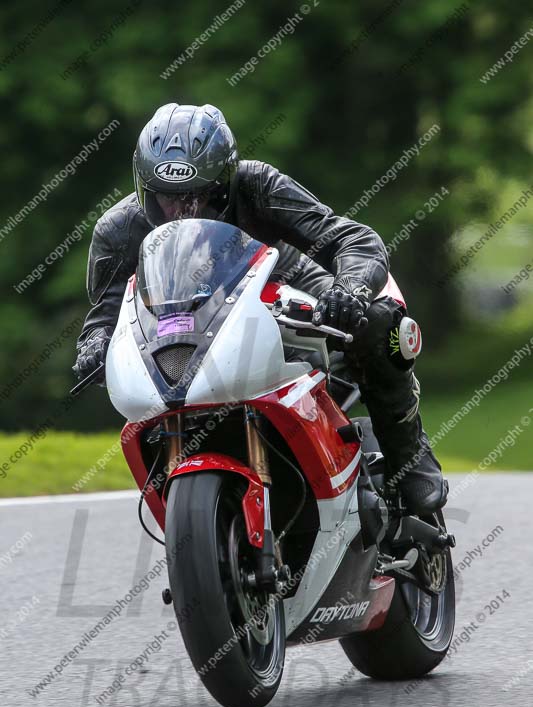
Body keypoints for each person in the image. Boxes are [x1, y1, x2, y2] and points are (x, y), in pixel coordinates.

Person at [73, 102, 447, 515]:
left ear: (226, 181)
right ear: (146, 190)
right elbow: (108, 310)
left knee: (379, 324)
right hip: (188, 324)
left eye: (199, 196)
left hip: (287, 282)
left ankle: (408, 455)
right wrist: (94, 342)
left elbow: (352, 239)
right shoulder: (118, 229)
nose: (183, 211)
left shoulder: (259, 184)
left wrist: (350, 289)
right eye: (168, 200)